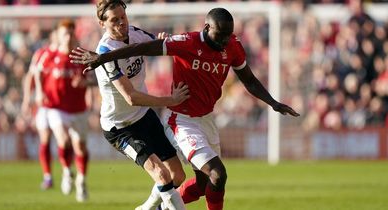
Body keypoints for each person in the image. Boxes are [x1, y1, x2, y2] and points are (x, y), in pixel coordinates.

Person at [70, 7, 300, 210]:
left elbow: (249, 79)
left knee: (197, 183)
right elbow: (144, 52)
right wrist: (103, 57)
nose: (223, 41)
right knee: (217, 174)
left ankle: (155, 208)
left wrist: (273, 103)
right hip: (179, 119)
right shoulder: (186, 42)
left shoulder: (232, 46)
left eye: (228, 35)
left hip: (205, 118)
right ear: (207, 27)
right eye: (220, 35)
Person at [89, 0, 188, 209]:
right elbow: (131, 97)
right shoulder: (106, 52)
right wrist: (170, 100)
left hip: (144, 116)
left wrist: (162, 42)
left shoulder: (135, 33)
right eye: (114, 20)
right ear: (102, 24)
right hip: (120, 128)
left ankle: (147, 208)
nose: (121, 23)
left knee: (177, 175)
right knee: (161, 175)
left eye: (123, 17)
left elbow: (158, 46)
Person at [35, 19, 92, 202]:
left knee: (80, 147)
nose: (67, 37)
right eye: (64, 34)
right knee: (63, 139)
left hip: (78, 108)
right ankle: (67, 172)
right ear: (59, 36)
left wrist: (85, 83)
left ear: (74, 35)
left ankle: (81, 180)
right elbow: (37, 72)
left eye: (70, 33)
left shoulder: (82, 56)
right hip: (55, 107)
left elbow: (94, 80)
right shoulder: (50, 55)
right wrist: (38, 92)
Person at [21, 29, 60, 190]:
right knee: (45, 138)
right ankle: (48, 176)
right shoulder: (42, 53)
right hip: (44, 104)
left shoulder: (70, 53)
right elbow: (31, 76)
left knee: (66, 139)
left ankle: (67, 171)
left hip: (63, 104)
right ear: (52, 37)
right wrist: (26, 100)